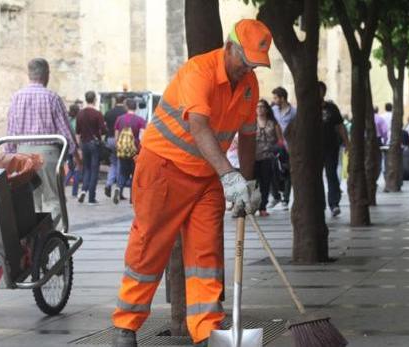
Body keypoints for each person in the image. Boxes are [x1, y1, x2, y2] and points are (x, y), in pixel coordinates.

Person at [111, 19, 270, 347]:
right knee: (149, 248)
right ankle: (126, 326)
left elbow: (249, 134)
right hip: (163, 170)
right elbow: (198, 125)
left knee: (206, 257)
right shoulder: (199, 71)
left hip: (207, 177)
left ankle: (207, 331)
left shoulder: (250, 85)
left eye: (255, 65)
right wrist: (229, 173)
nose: (248, 71)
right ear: (229, 48)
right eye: (246, 62)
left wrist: (248, 182)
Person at [6, 58, 81, 223]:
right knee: (53, 198)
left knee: (31, 200)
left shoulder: (16, 97)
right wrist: (75, 155)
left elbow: (11, 130)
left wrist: (9, 157)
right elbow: (65, 130)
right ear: (46, 74)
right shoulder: (52, 97)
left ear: (29, 74)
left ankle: (35, 238)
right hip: (48, 153)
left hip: (23, 153)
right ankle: (49, 236)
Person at [320, 81, 350, 216]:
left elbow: (340, 126)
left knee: (331, 174)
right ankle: (319, 204)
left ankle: (334, 204)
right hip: (313, 149)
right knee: (314, 177)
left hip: (331, 147)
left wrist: (347, 142)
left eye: (320, 90)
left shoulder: (332, 108)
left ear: (324, 92)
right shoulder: (306, 107)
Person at [75, 91, 107, 205]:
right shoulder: (97, 114)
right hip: (94, 144)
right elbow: (103, 131)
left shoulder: (80, 114)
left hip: (84, 143)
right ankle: (91, 198)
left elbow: (77, 132)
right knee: (94, 170)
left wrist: (79, 146)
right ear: (94, 100)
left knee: (86, 169)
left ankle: (83, 190)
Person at [113, 98, 146, 204]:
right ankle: (132, 198)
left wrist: (118, 146)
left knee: (122, 172)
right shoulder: (140, 120)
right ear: (135, 107)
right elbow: (142, 136)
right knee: (134, 174)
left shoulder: (120, 119)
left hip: (122, 150)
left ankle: (118, 188)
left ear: (126, 107)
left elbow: (116, 135)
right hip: (134, 150)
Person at [254, 99, 282, 217]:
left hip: (268, 157)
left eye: (262, 107)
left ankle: (262, 207)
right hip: (253, 157)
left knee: (265, 183)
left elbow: (280, 141)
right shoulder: (251, 122)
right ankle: (251, 206)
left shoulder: (273, 123)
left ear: (266, 109)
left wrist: (276, 150)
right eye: (257, 107)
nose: (260, 109)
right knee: (253, 184)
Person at [271, 86, 296, 210]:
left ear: (282, 98)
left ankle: (285, 199)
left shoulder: (293, 112)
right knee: (274, 170)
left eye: (276, 98)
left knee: (287, 171)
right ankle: (277, 195)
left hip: (289, 146)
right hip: (276, 146)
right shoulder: (273, 110)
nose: (274, 100)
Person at [104, 94, 127, 198]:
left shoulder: (108, 112)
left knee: (113, 163)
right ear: (124, 101)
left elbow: (104, 127)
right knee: (121, 164)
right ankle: (118, 187)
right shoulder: (125, 113)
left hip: (110, 139)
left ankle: (109, 183)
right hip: (121, 140)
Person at [65, 103, 81, 197]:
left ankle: (63, 185)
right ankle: (74, 192)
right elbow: (77, 135)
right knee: (77, 169)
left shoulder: (66, 119)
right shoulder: (77, 121)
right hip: (74, 146)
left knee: (71, 168)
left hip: (66, 146)